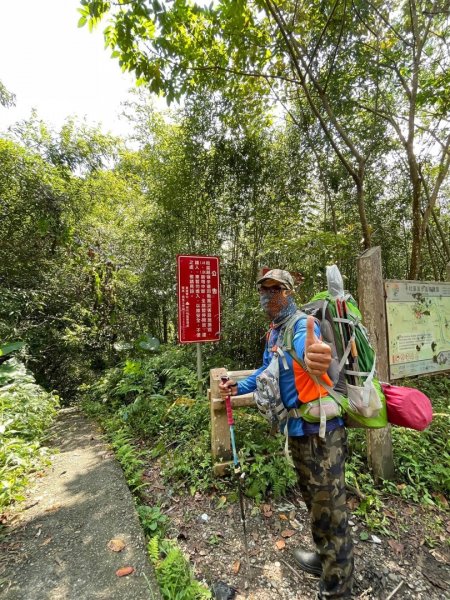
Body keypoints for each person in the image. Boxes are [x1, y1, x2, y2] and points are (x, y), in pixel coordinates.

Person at [219, 269, 353, 599]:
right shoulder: (274, 333)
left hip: (321, 434)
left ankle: (338, 590)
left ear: (289, 292)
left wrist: (316, 359)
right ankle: (325, 562)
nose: (269, 296)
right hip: (297, 430)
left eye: (276, 289)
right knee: (315, 503)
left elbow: (314, 354)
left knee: (331, 512)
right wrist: (240, 385)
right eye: (264, 290)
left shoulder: (303, 325)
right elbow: (267, 371)